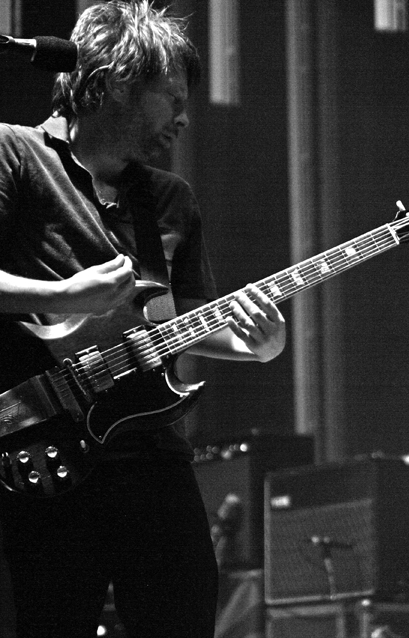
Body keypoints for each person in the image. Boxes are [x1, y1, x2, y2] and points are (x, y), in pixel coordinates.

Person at [0, 2, 287, 637]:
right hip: (35, 448)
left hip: (149, 453)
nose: (184, 118)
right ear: (114, 81)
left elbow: (178, 323)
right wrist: (70, 294)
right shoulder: (15, 154)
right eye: (172, 97)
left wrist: (254, 346)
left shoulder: (171, 199)